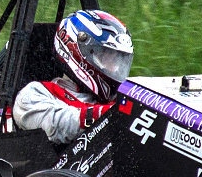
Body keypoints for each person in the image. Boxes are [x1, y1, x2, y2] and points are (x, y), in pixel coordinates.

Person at [13, 9, 133, 144]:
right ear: (76, 51)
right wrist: (108, 113)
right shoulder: (35, 93)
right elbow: (54, 125)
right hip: (58, 163)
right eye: (105, 57)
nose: (114, 68)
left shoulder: (118, 100)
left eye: (117, 61)